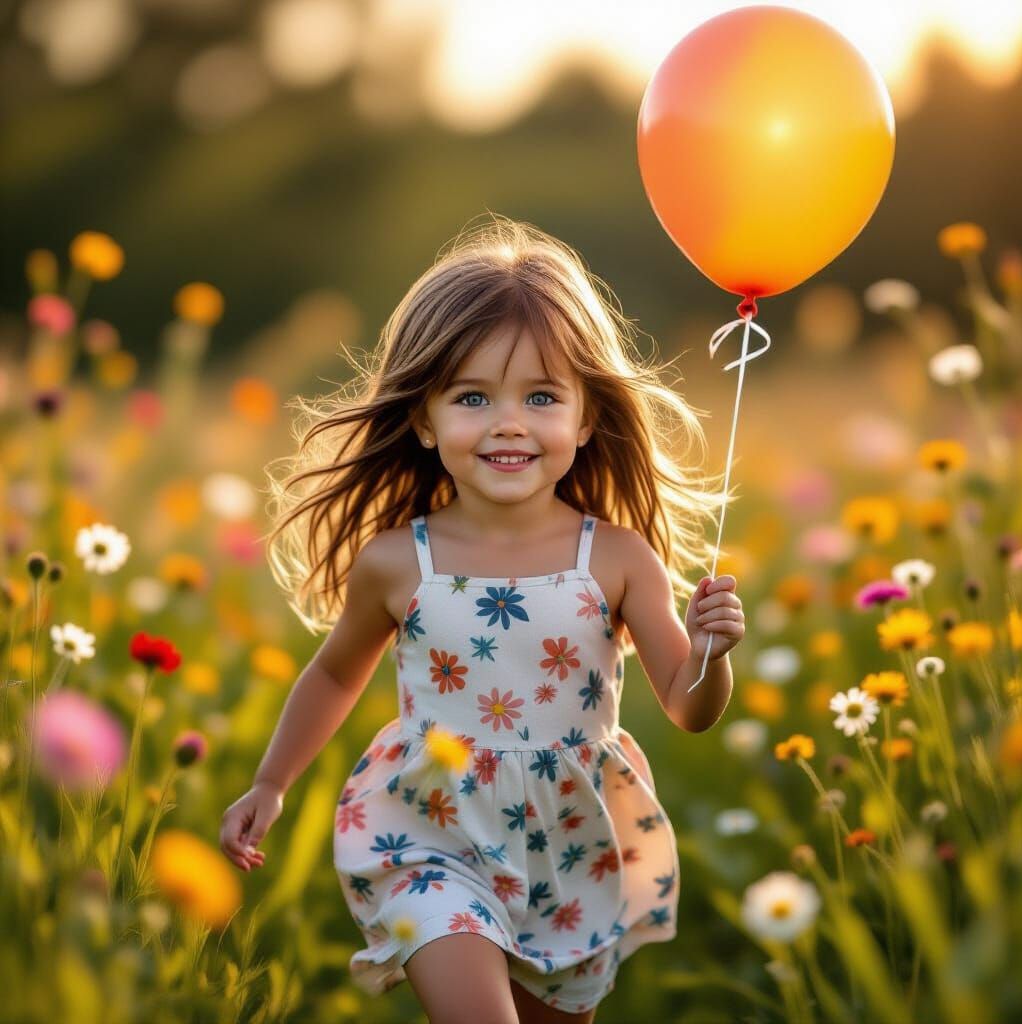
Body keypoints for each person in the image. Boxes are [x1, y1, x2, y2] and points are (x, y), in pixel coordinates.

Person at [220, 214, 746, 1023]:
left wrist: (712, 652)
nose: (508, 422)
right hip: (429, 832)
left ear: (586, 418)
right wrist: (271, 780)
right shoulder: (400, 562)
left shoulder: (616, 558)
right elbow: (333, 671)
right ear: (425, 420)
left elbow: (689, 706)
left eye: (541, 396)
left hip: (571, 842)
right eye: (473, 397)